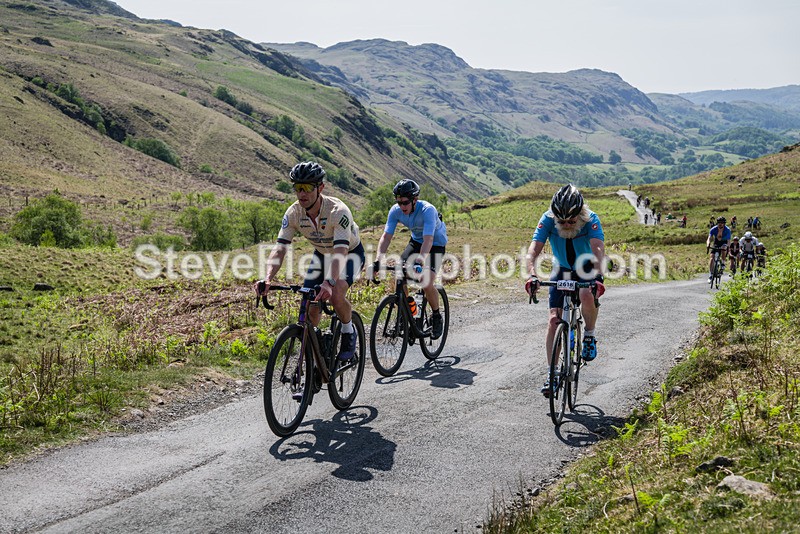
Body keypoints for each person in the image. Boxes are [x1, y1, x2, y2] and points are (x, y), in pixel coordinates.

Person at [255, 161, 365, 361]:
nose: (301, 194)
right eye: (297, 188)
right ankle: (317, 351)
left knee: (336, 293)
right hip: (322, 254)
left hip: (350, 253)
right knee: (309, 305)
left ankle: (349, 332)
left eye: (307, 188)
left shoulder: (338, 211)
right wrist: (268, 278)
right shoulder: (294, 213)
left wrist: (329, 282)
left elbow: (341, 251)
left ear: (320, 188)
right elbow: (280, 248)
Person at [525, 184, 605, 397]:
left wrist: (597, 276)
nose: (567, 225)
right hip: (561, 269)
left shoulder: (591, 219)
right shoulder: (547, 219)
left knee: (586, 294)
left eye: (571, 220)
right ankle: (552, 373)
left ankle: (589, 334)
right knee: (553, 320)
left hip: (586, 267)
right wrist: (532, 275)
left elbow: (598, 250)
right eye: (562, 221)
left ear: (580, 214)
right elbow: (534, 249)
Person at [372, 179, 448, 339]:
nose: (402, 206)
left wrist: (420, 261)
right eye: (399, 202)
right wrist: (378, 260)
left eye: (405, 202)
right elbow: (386, 237)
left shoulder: (428, 210)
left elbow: (428, 240)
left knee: (426, 281)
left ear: (415, 199)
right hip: (416, 241)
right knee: (399, 274)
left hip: (435, 243)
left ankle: (436, 316)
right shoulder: (395, 211)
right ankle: (407, 310)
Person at [706, 216, 731, 281]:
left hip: (724, 242)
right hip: (716, 242)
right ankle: (710, 275)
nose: (721, 224)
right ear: (717, 223)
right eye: (719, 223)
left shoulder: (727, 230)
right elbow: (709, 238)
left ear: (724, 224)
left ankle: (722, 263)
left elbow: (728, 241)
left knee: (723, 249)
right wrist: (708, 244)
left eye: (722, 223)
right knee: (712, 258)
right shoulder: (713, 229)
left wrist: (727, 247)